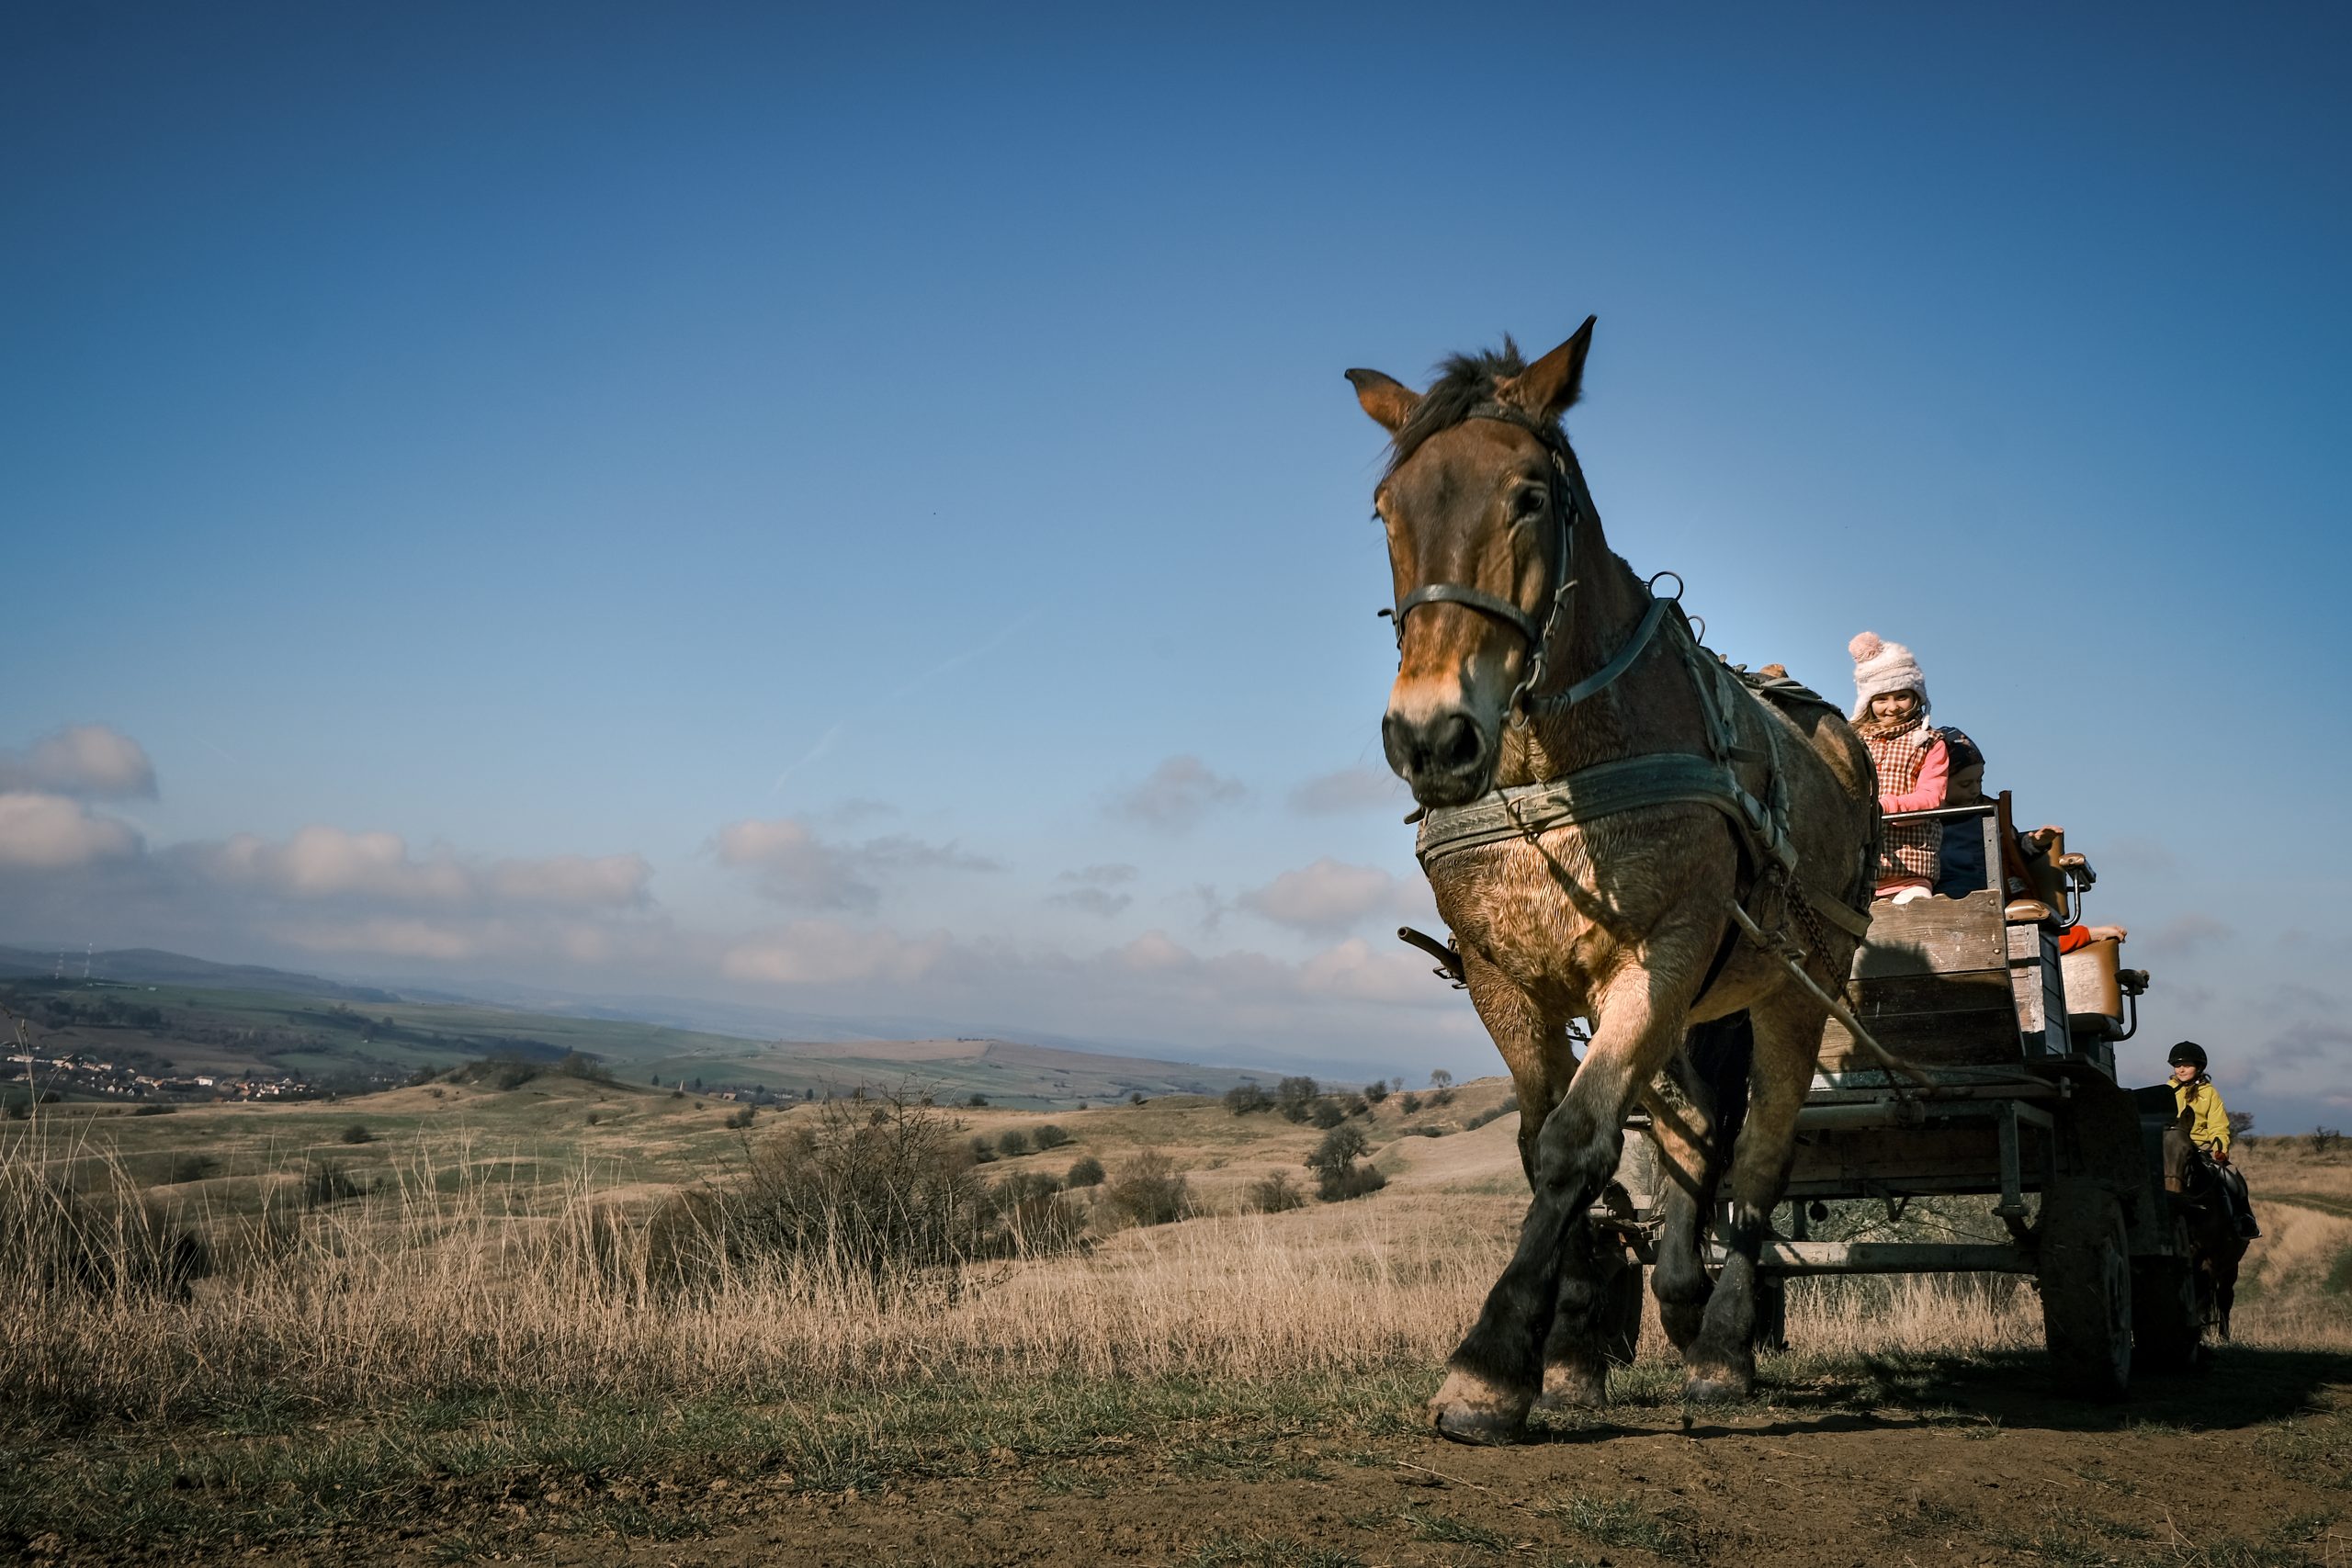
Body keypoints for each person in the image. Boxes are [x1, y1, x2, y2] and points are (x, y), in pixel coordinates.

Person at [1850, 631, 1947, 902]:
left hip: (1909, 871)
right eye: (1881, 699)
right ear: (1868, 701)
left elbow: (1932, 797)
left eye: (1901, 696)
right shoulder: (1853, 741)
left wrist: (1882, 808)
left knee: (1917, 924)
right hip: (1857, 869)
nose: (1891, 708)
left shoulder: (1930, 742)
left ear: (1917, 696)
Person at [2163, 1040, 2259, 1238]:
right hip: (2170, 1149)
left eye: (2187, 1065)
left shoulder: (2209, 1094)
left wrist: (2220, 1149)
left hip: (2201, 1148)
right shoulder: (2165, 1091)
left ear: (2199, 1067)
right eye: (2177, 1065)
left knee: (2233, 1177)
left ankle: (2244, 1218)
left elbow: (2218, 1125)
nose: (2181, 1069)